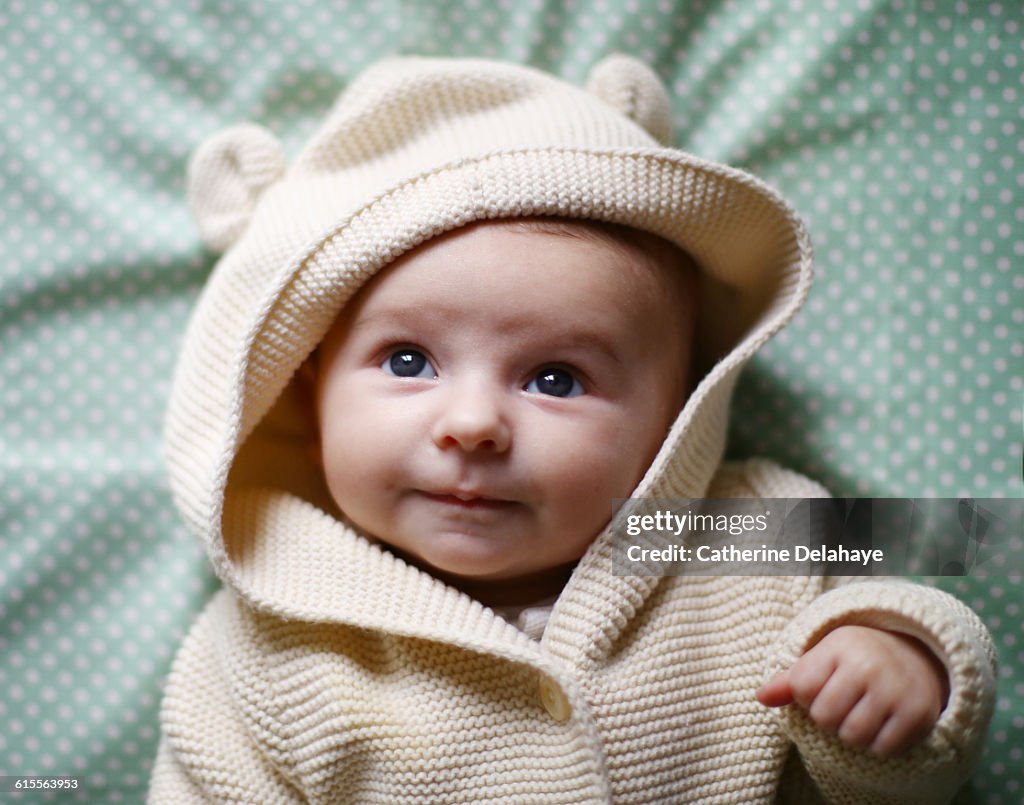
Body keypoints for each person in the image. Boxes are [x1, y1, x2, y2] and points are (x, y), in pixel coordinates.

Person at [149, 55, 995, 803]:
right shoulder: (264, 641)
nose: (474, 423)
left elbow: (925, 612)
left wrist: (904, 672)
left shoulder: (755, 524)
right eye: (407, 361)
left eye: (557, 378)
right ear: (308, 382)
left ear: (676, 411)